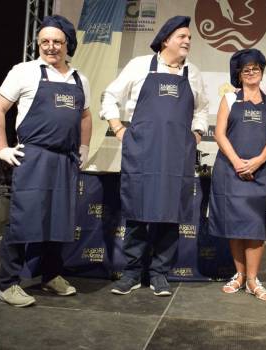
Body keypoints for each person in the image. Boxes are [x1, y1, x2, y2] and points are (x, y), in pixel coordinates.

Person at [101, 16, 209, 297]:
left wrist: (195, 135)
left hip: (177, 156)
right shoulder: (139, 66)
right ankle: (132, 273)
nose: (187, 41)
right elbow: (110, 97)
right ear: (165, 40)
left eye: (189, 38)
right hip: (142, 153)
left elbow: (202, 109)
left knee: (170, 215)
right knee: (137, 213)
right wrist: (118, 129)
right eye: (182, 36)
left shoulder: (192, 73)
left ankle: (160, 273)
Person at [0, 15, 93, 307]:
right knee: (24, 221)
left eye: (57, 42)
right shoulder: (23, 71)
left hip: (66, 160)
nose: (50, 47)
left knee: (58, 221)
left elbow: (85, 116)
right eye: (44, 41)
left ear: (67, 44)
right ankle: (8, 284)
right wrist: (1, 149)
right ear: (38, 44)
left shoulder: (79, 78)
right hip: (33, 157)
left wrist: (84, 147)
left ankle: (50, 276)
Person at [209, 49, 266, 302]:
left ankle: (253, 279)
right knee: (236, 225)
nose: (252, 73)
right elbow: (219, 134)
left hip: (260, 172)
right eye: (246, 69)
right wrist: (239, 163)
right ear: (239, 75)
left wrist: (258, 161)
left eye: (256, 68)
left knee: (255, 225)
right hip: (231, 169)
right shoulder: (229, 99)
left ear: (262, 71)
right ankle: (239, 275)